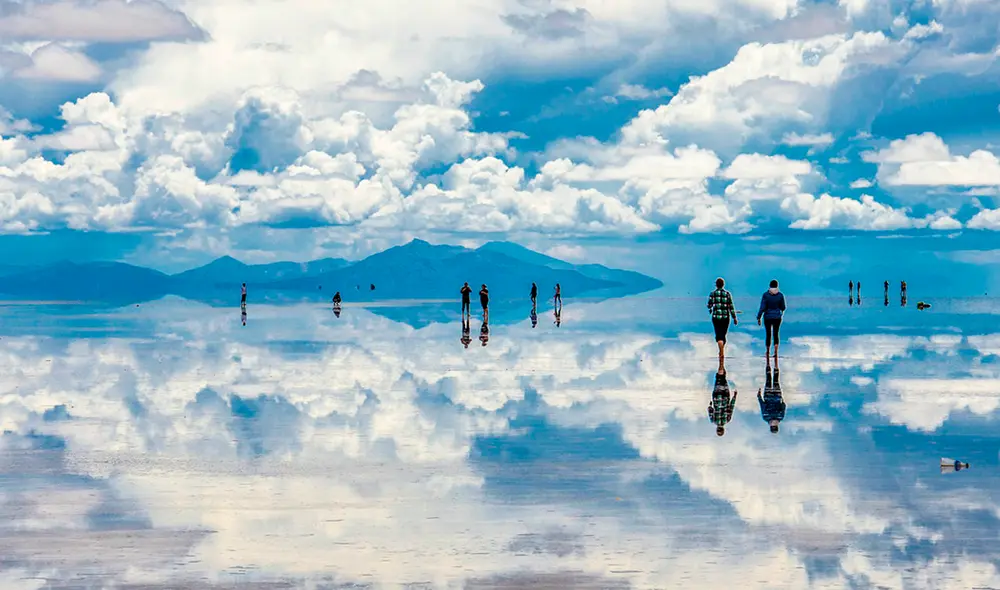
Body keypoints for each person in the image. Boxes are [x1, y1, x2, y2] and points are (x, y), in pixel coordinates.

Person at [756, 279, 786, 367]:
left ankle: (768, 351)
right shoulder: (780, 295)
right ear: (777, 286)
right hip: (777, 317)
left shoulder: (766, 295)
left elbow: (762, 307)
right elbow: (783, 307)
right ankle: (776, 352)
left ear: (770, 285)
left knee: (768, 334)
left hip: (768, 317)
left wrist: (759, 317)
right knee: (776, 333)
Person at [707, 278, 738, 363]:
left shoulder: (712, 294)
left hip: (716, 317)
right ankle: (722, 351)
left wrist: (710, 307)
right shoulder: (727, 294)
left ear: (716, 285)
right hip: (725, 317)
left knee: (718, 334)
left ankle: (721, 351)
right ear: (723, 284)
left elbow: (709, 305)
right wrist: (734, 317)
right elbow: (731, 307)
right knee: (723, 334)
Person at [708, 368, 737, 437]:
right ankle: (720, 371)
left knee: (724, 380)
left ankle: (722, 372)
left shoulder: (727, 420)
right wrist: (710, 405)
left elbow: (731, 407)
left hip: (725, 397)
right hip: (716, 397)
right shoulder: (713, 420)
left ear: (723, 429)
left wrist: (734, 397)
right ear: (717, 429)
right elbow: (710, 409)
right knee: (718, 380)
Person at [758, 367, 785, 434]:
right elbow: (763, 406)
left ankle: (776, 364)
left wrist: (782, 401)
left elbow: (783, 406)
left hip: (777, 397)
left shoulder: (780, 417)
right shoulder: (766, 417)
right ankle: (768, 363)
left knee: (776, 380)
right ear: (770, 427)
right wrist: (759, 397)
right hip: (768, 396)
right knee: (768, 379)